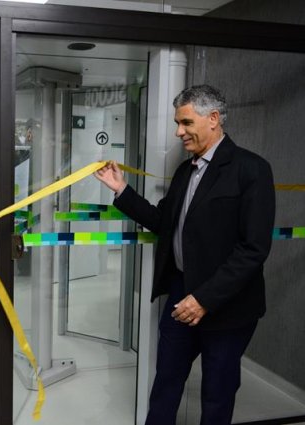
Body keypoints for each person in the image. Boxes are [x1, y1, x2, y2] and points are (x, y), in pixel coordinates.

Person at [95, 84, 275, 424]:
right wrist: (122, 190)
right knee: (166, 382)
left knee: (217, 393)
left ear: (213, 119)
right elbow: (164, 221)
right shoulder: (185, 171)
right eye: (178, 123)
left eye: (186, 123)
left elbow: (253, 249)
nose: (179, 132)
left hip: (227, 304)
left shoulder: (251, 170)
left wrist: (204, 299)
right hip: (181, 293)